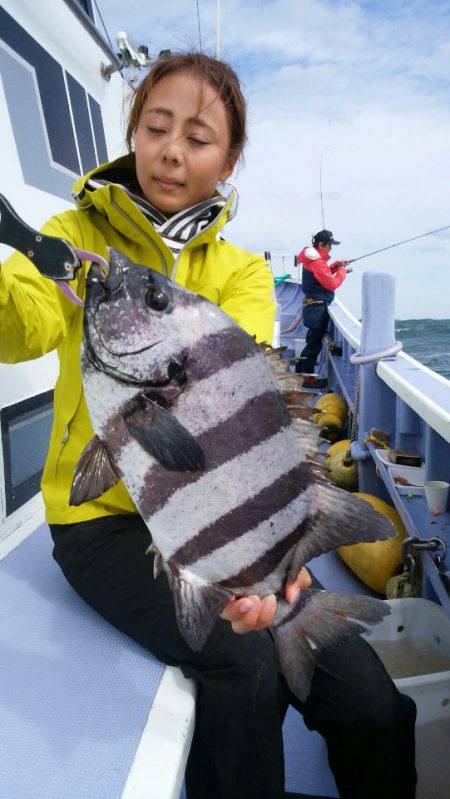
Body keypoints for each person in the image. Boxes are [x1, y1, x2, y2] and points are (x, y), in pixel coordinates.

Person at [0, 53, 416, 799]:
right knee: (246, 667)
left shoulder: (242, 273)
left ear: (229, 159)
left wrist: (270, 568)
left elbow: (248, 397)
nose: (170, 150)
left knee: (375, 705)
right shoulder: (70, 234)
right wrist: (51, 283)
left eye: (197, 137)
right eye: (156, 127)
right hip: (104, 527)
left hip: (229, 521)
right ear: (133, 132)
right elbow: (18, 325)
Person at [296, 229, 351, 378]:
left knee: (312, 342)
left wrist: (334, 266)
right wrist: (342, 272)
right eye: (329, 245)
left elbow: (321, 275)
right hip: (317, 309)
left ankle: (299, 373)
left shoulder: (315, 261)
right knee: (313, 345)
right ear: (321, 244)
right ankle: (306, 378)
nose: (331, 247)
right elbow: (331, 284)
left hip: (313, 307)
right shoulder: (317, 262)